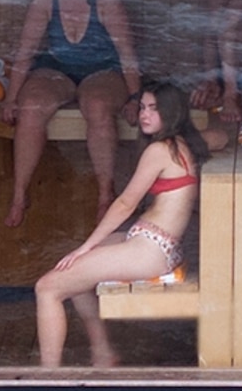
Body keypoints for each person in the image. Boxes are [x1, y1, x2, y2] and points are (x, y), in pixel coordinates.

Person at [32, 84, 202, 367]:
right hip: (157, 245)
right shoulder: (183, 144)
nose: (144, 114)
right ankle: (102, 352)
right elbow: (219, 136)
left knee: (47, 288)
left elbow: (126, 204)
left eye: (154, 108)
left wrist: (88, 244)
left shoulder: (161, 149)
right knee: (72, 272)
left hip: (149, 250)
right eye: (143, 107)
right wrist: (85, 250)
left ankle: (48, 377)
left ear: (171, 112)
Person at [1, 0, 140, 227]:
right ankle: (19, 195)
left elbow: (127, 52)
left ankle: (105, 194)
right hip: (58, 67)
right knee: (30, 106)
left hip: (103, 69)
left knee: (97, 105)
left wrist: (136, 97)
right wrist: (11, 98)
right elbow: (25, 50)